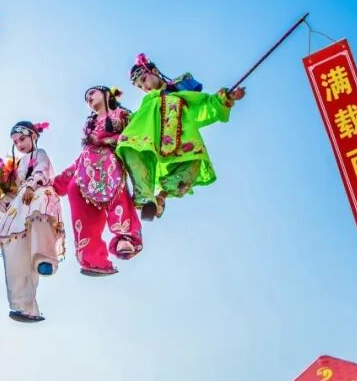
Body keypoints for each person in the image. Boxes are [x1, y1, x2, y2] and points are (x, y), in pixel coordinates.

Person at [117, 53, 245, 220]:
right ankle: (145, 196)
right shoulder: (147, 104)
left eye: (144, 80)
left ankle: (161, 196)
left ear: (154, 72)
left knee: (194, 163)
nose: (144, 87)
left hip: (182, 142)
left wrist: (226, 98)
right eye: (140, 86)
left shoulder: (180, 92)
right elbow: (134, 121)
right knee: (133, 148)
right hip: (152, 142)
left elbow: (203, 103)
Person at [55, 86, 142, 276]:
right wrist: (56, 184)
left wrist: (107, 140)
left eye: (92, 93)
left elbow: (134, 136)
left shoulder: (121, 115)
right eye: (86, 97)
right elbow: (81, 157)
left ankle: (124, 238)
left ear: (107, 94)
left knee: (117, 195)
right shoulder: (90, 124)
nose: (88, 98)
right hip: (84, 168)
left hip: (109, 162)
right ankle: (92, 258)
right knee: (81, 214)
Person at [0, 120, 64, 322]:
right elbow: (14, 188)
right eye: (16, 142)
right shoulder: (18, 165)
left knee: (40, 218)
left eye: (22, 139)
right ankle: (23, 306)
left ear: (34, 136)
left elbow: (42, 169)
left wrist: (32, 185)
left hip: (37, 194)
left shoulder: (39, 153)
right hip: (20, 203)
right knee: (15, 248)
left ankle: (45, 258)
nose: (19, 144)